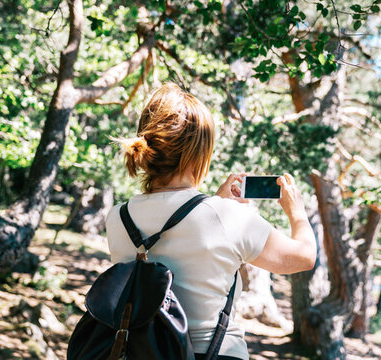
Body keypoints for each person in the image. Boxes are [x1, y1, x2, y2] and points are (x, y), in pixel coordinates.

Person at [105, 83, 316, 360]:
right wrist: (297, 212)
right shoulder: (229, 218)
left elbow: (182, 240)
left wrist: (215, 203)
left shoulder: (118, 216)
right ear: (199, 153)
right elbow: (303, 257)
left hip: (139, 353)